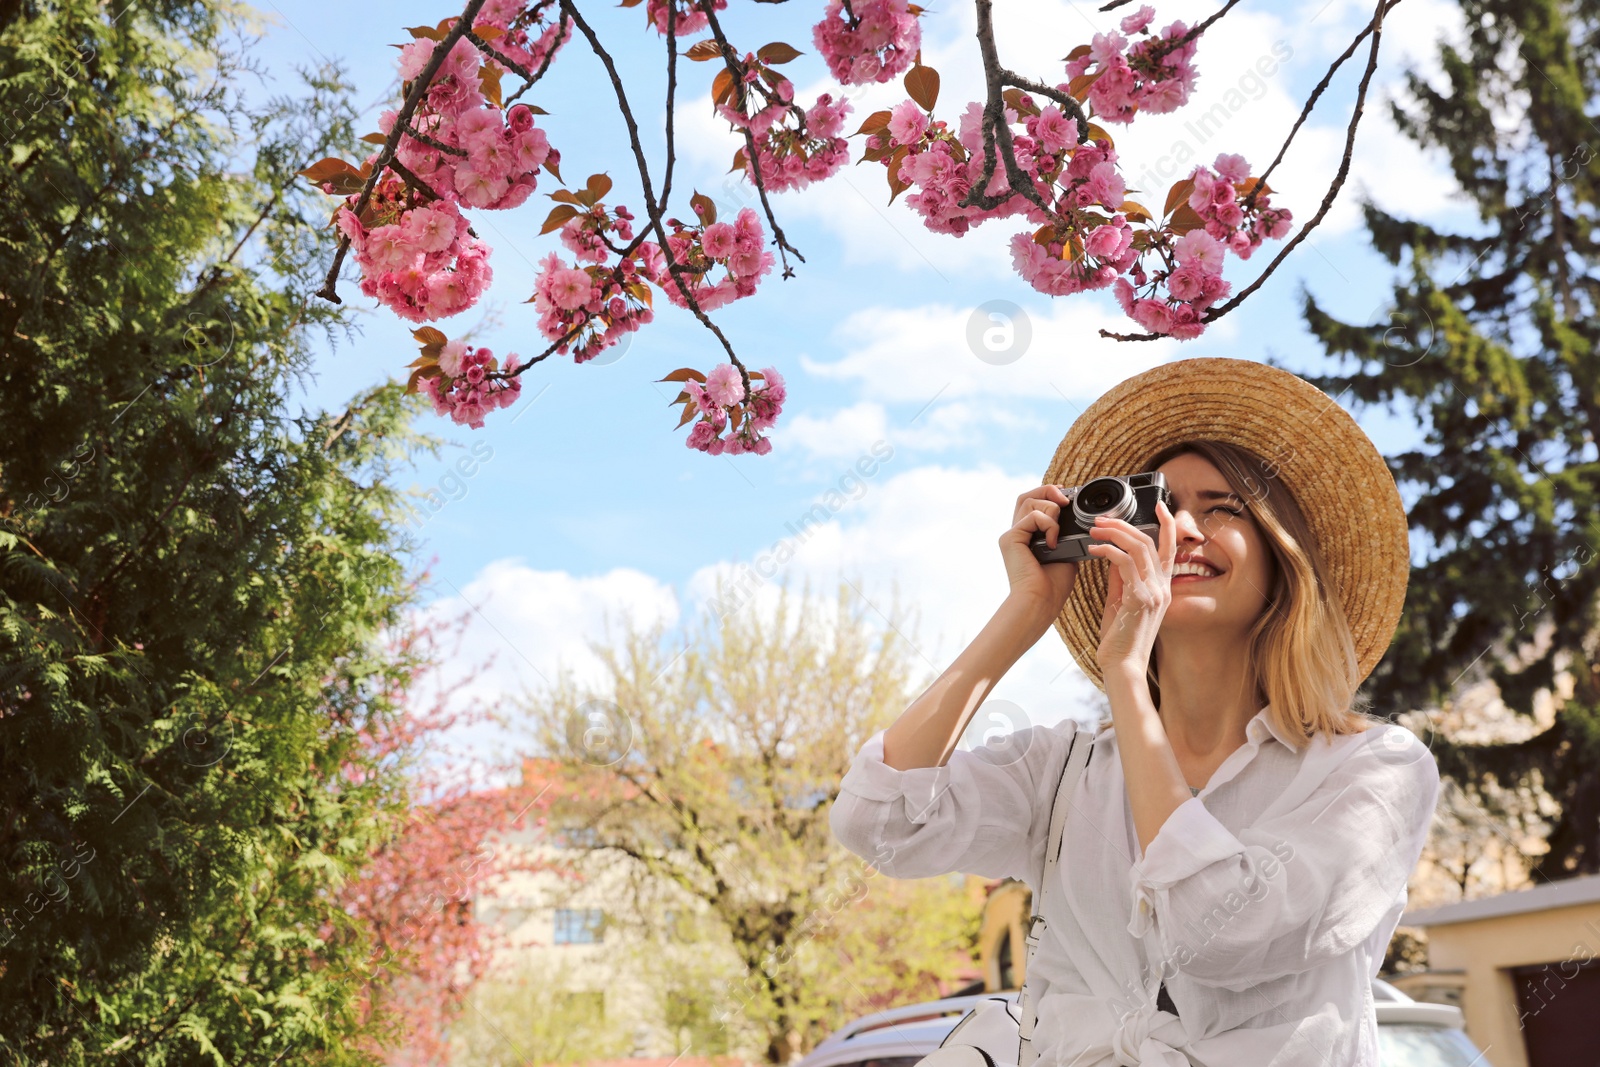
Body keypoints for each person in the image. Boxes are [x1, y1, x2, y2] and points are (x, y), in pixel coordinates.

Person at [829, 357, 1441, 1067]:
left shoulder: (1373, 770)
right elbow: (877, 824)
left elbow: (1217, 934)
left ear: (1281, 554)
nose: (1182, 528)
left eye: (1222, 506)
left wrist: (1125, 676)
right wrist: (1025, 611)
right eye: (1159, 507)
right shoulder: (1062, 771)